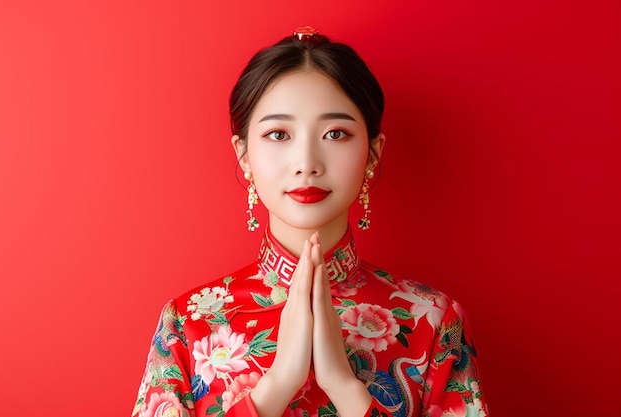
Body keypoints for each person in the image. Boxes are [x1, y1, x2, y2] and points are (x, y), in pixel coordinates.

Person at [132, 26, 489, 417]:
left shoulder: (433, 321)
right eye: (279, 134)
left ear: (372, 152)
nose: (307, 163)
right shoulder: (189, 324)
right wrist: (276, 386)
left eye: (335, 133)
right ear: (244, 155)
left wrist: (344, 385)